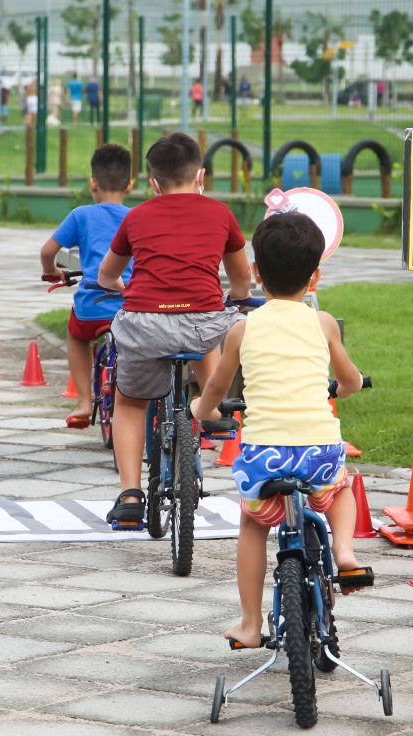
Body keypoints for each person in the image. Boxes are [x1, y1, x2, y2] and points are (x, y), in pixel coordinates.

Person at [191, 211, 368, 649]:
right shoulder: (323, 323)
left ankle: (251, 624)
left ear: (254, 274)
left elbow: (216, 385)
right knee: (341, 490)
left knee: (253, 525)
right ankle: (344, 551)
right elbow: (349, 378)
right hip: (318, 451)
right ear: (315, 277)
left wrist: (202, 409)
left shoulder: (241, 329)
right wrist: (349, 388)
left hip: (263, 457)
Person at [96, 132, 253, 525]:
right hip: (201, 324)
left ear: (153, 183)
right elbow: (240, 281)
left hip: (145, 323)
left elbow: (106, 274)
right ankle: (213, 409)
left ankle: (130, 495)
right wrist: (235, 296)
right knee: (213, 319)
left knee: (129, 403)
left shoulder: (136, 216)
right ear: (201, 175)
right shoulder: (221, 214)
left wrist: (120, 287)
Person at [39, 144, 134, 428]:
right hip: (130, 306)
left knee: (76, 336)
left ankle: (82, 401)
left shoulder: (81, 215)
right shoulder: (137, 217)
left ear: (93, 182)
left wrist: (51, 272)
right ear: (130, 185)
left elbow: (47, 251)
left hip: (92, 309)